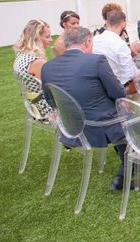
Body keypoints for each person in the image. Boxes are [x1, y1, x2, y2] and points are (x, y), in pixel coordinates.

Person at [41, 27, 129, 190]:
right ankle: (125, 171)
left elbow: (50, 100)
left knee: (117, 110)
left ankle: (128, 159)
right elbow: (119, 92)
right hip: (100, 125)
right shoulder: (96, 61)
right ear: (88, 42)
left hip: (71, 126)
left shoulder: (47, 67)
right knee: (126, 112)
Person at [13, 19, 55, 119]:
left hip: (34, 107)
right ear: (36, 38)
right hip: (47, 111)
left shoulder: (21, 55)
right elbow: (53, 90)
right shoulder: (37, 62)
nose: (51, 39)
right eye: (47, 36)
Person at [93, 10, 139, 90]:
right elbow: (131, 74)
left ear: (106, 23)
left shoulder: (94, 40)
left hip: (99, 84)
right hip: (119, 87)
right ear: (124, 24)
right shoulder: (120, 44)